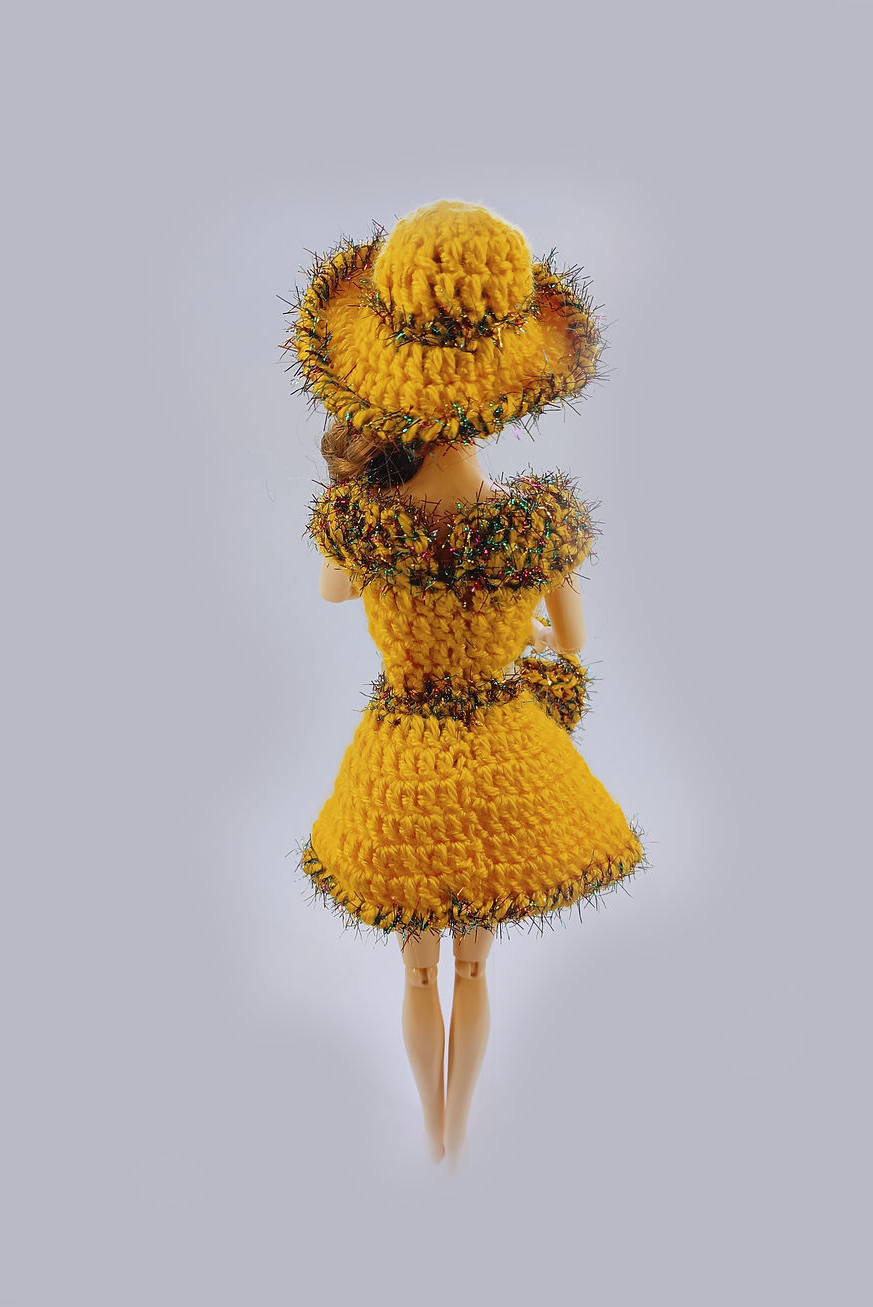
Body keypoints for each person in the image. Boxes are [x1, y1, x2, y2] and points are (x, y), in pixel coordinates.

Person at [285, 199, 650, 1166]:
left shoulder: (364, 519)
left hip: (404, 759)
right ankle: (455, 1141)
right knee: (475, 967)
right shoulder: (537, 527)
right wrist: (517, 622)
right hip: (498, 755)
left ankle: (435, 1137)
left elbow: (332, 591)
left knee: (416, 974)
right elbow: (571, 646)